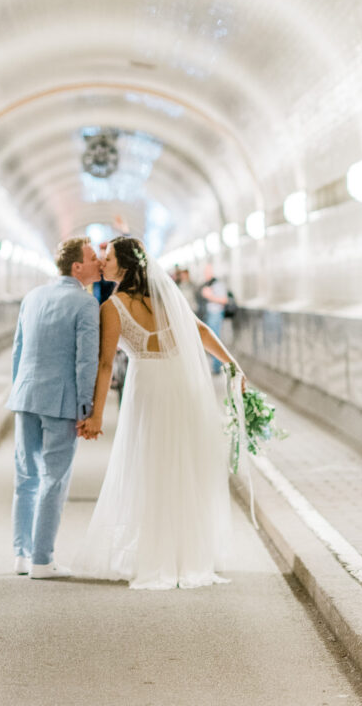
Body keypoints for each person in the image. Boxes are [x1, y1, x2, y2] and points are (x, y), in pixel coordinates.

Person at [74, 236, 246, 590]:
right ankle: (185, 556)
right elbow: (200, 330)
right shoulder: (168, 299)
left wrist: (95, 415)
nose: (103, 263)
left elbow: (106, 364)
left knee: (148, 466)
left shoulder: (113, 306)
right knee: (180, 465)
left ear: (124, 265)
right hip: (180, 387)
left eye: (107, 258)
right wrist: (233, 365)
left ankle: (154, 556)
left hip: (147, 389)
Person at [7, 237, 101, 579]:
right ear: (77, 266)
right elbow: (85, 361)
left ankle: (21, 554)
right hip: (61, 400)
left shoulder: (33, 297)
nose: (99, 263)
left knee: (25, 477)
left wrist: (17, 389)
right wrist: (87, 408)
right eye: (93, 258)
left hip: (25, 395)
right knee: (54, 479)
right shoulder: (85, 304)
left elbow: (18, 349)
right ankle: (43, 560)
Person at [201, 263, 228, 374]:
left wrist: (209, 296)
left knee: (215, 340)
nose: (205, 274)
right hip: (210, 314)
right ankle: (215, 365)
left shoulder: (217, 284)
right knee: (211, 340)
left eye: (208, 271)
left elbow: (224, 300)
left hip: (216, 314)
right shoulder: (208, 284)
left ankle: (217, 366)